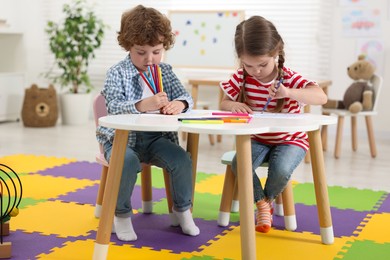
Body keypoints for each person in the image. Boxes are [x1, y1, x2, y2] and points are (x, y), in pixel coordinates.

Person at [96, 5, 199, 241]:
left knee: (182, 160)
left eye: (156, 51)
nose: (149, 59)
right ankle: (121, 215)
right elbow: (112, 106)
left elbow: (186, 96)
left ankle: (183, 211)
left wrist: (180, 105)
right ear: (128, 46)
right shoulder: (117, 72)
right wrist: (143, 104)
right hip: (121, 140)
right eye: (141, 52)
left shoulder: (165, 71)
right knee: (126, 161)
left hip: (156, 139)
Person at [219, 16, 327, 233]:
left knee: (281, 169)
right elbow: (223, 102)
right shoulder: (241, 78)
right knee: (239, 164)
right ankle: (262, 204)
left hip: (290, 140)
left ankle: (266, 200)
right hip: (258, 138)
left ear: (277, 53)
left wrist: (289, 93)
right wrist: (233, 106)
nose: (256, 71)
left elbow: (320, 97)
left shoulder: (287, 77)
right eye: (248, 65)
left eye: (262, 64)